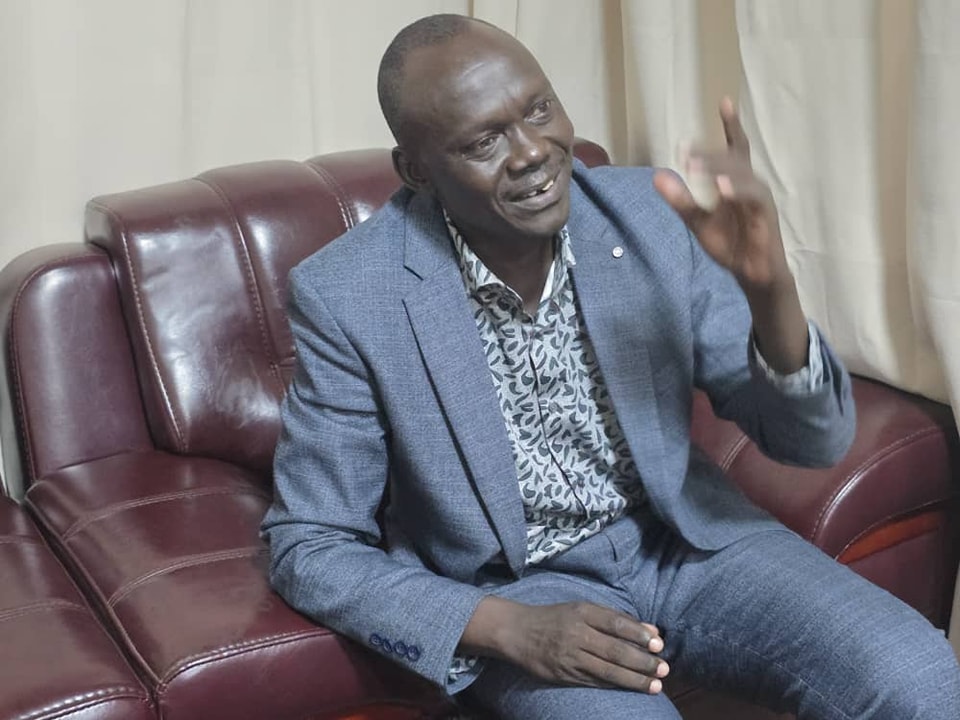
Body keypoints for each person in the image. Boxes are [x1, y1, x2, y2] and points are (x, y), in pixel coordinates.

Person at [261, 13, 960, 719]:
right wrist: (503, 627)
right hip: (521, 588)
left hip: (688, 542)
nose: (532, 152)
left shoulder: (647, 215)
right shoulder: (351, 296)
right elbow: (310, 544)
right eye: (485, 141)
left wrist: (773, 294)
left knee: (917, 676)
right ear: (417, 171)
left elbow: (810, 441)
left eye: (539, 109)